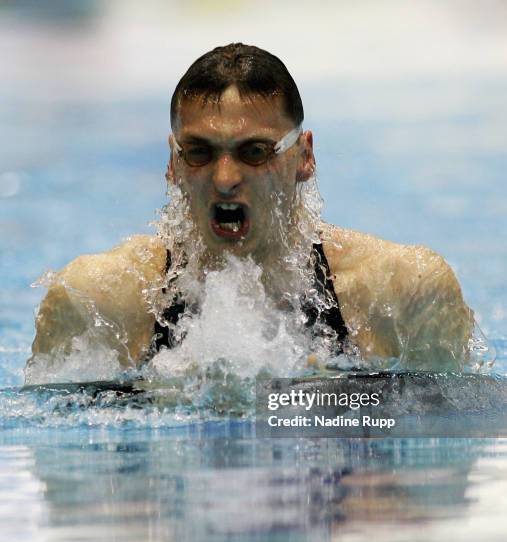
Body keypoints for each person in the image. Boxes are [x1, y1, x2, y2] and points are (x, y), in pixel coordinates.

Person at [26, 43, 474, 378]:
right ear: (172, 164)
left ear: (304, 157)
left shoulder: (402, 296)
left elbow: (443, 459)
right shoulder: (98, 303)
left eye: (255, 151)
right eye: (199, 152)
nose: (224, 178)